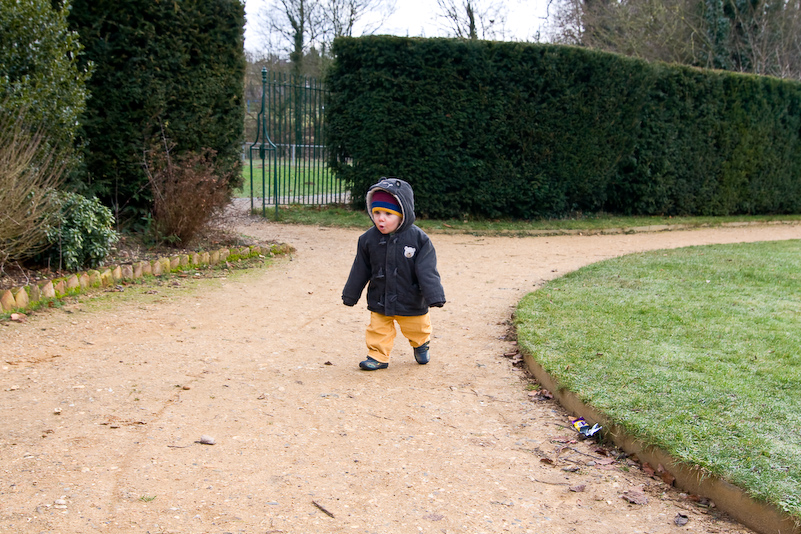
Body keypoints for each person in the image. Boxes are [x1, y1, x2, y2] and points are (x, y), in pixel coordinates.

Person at [342, 177, 446, 370]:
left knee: (417, 328)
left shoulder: (419, 239)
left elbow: (427, 270)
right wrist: (350, 294)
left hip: (411, 298)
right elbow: (360, 269)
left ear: (402, 214)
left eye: (388, 213)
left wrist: (434, 295)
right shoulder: (367, 240)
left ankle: (421, 343)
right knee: (378, 328)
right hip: (380, 298)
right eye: (377, 212)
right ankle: (377, 356)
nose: (381, 218)